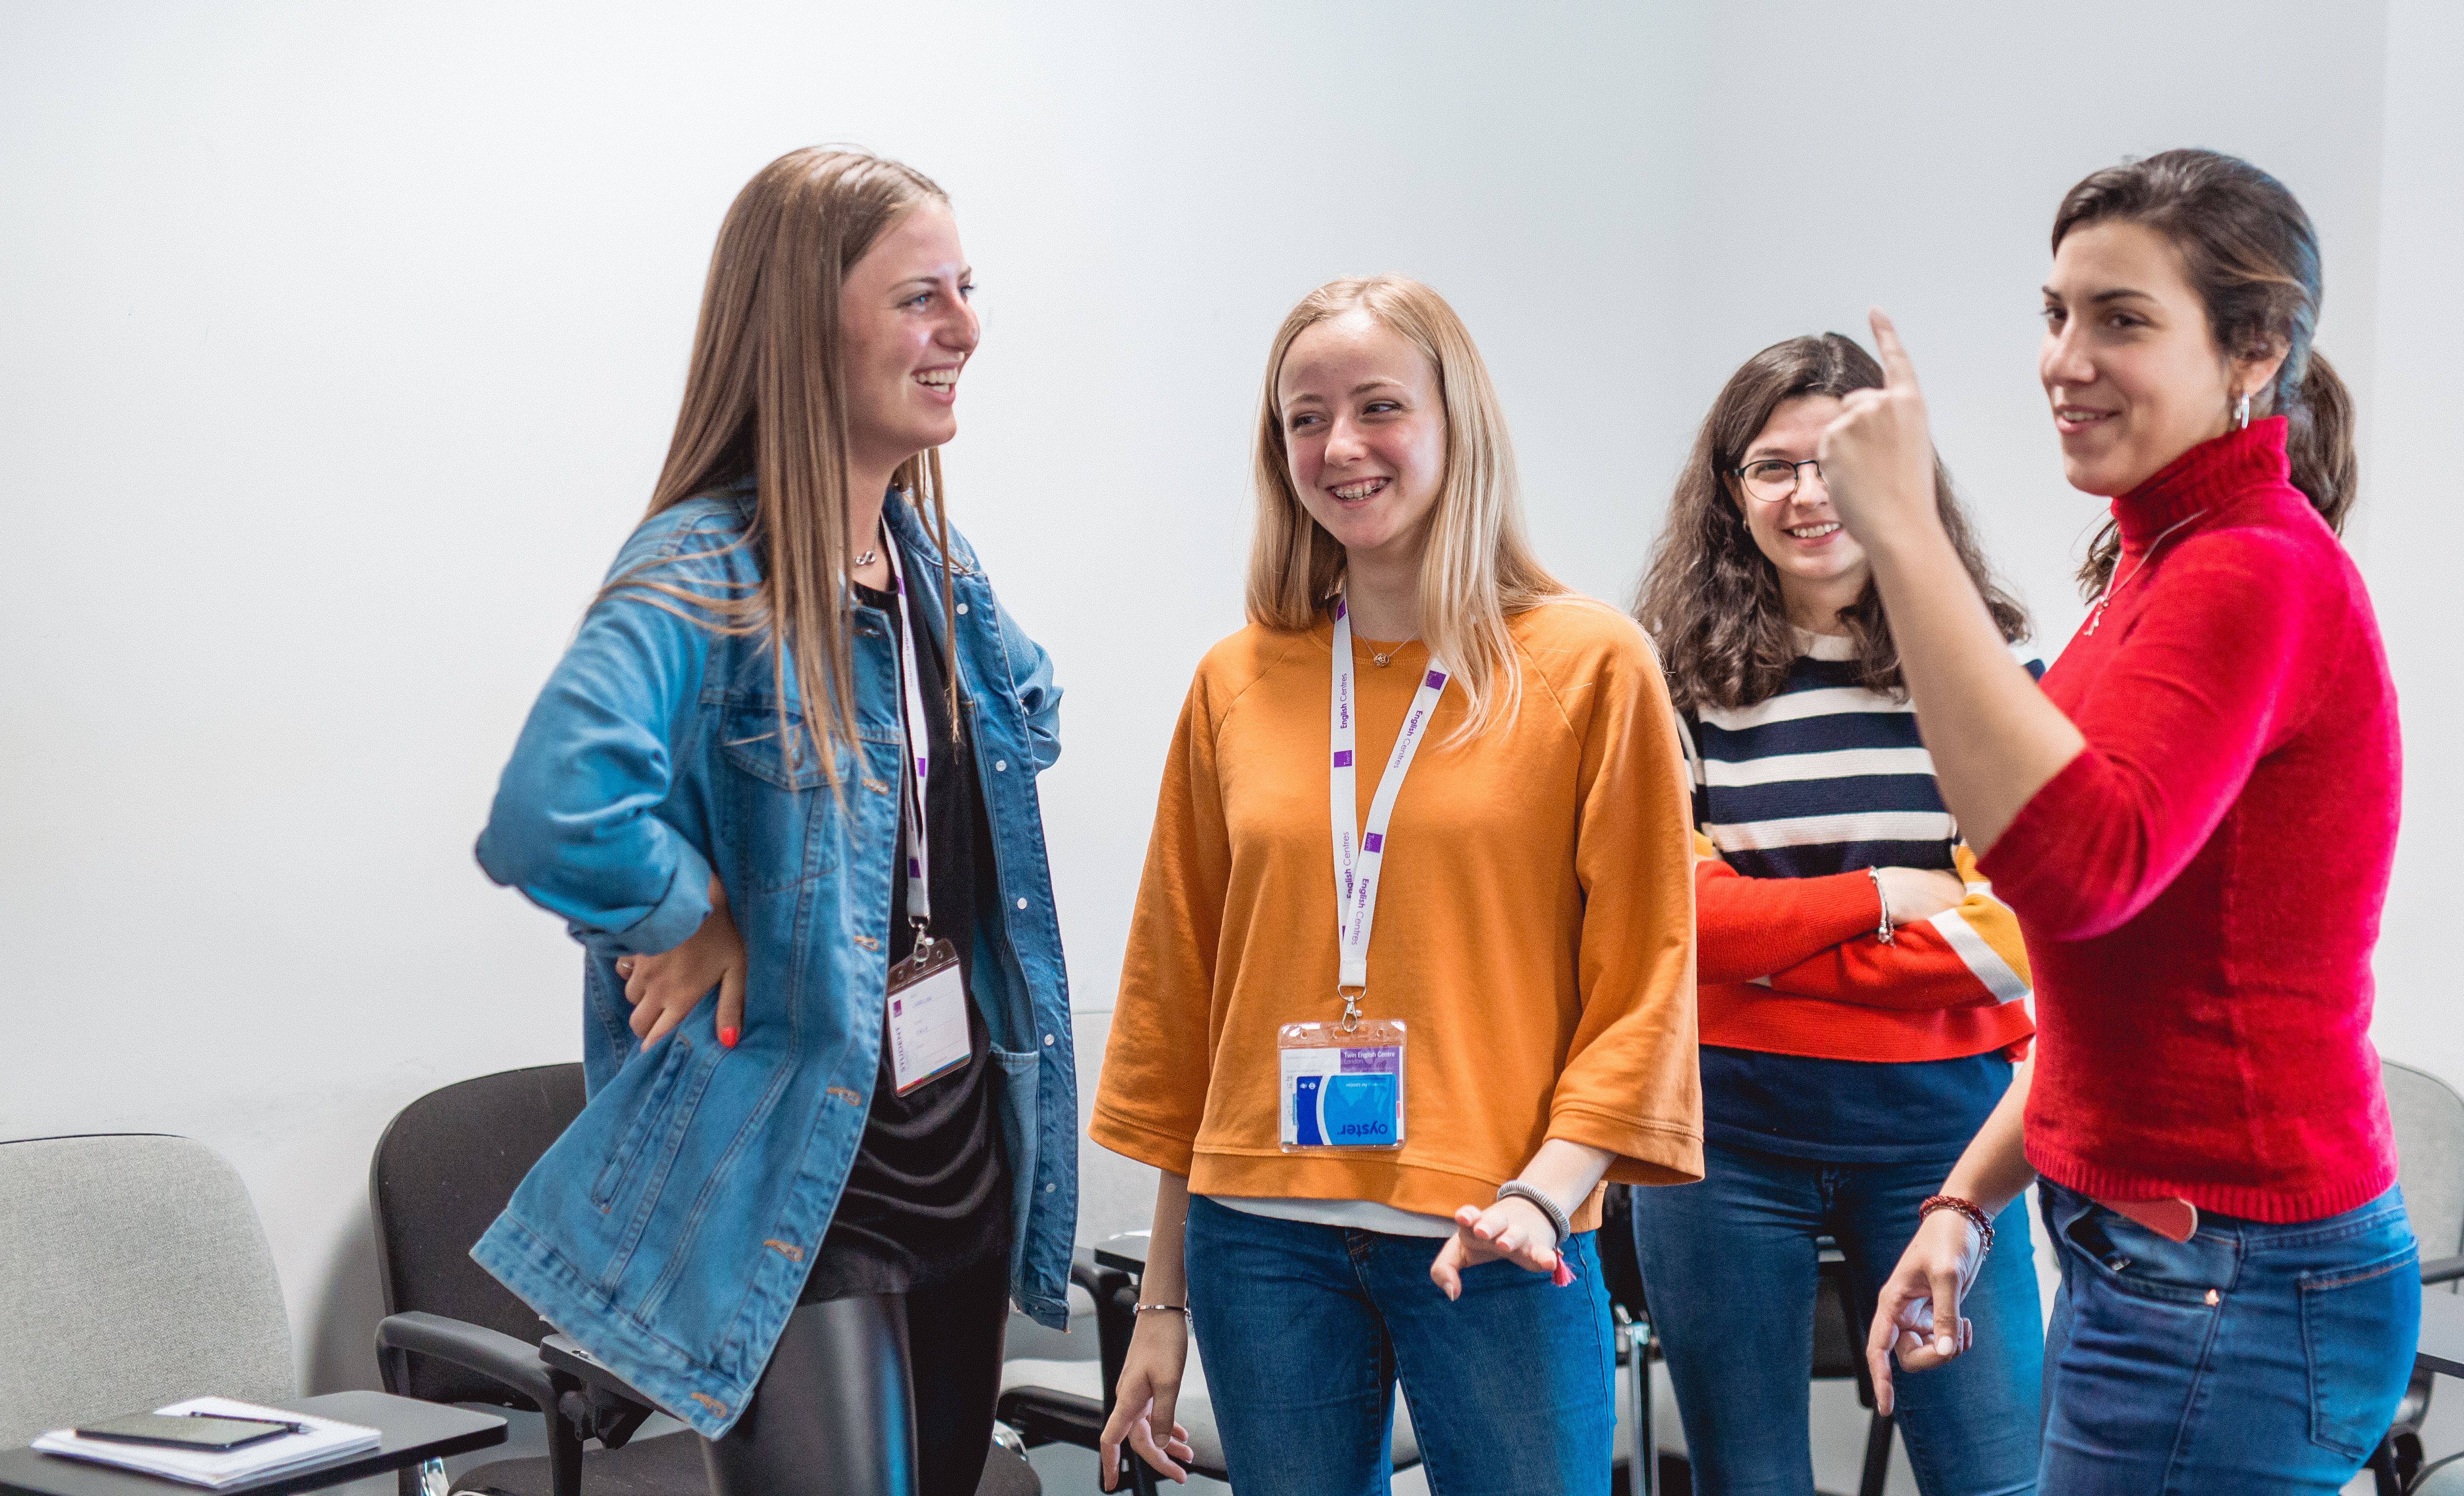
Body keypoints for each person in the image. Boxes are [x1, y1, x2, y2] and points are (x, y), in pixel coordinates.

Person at [469, 148, 1077, 1496]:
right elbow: (549, 807)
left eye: (965, 289)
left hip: (959, 1154)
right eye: (922, 295)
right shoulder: (704, 568)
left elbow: (1029, 723)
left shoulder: (930, 561)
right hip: (800, 1192)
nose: (965, 328)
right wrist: (687, 906)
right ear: (810, 325)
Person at [1827, 149, 2415, 1494]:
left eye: (2120, 319)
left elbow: (2079, 870)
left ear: (2251, 347)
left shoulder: (2249, 571)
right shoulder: (2159, 563)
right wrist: (1965, 1197)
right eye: (2054, 313)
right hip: (2168, 1255)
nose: (2063, 359)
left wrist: (1905, 536)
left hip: (2230, 1276)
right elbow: (2119, 995)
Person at [1090, 274, 1702, 1496]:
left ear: (1454, 423)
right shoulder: (1236, 679)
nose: (1340, 446)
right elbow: (1183, 999)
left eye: (1379, 406)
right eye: (1304, 418)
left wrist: (1549, 1193)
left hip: (1497, 1233)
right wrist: (1163, 1304)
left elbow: (1648, 971)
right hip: (1261, 1243)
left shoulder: (1587, 664)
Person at [1628, 333, 2044, 1495]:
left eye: (1842, 460)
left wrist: (1765, 951)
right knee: (1748, 1482)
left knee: (1997, 1478)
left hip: (1951, 1142)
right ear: (1732, 493)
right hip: (1722, 1149)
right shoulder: (1667, 687)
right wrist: (1880, 899)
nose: (1812, 494)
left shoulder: (1989, 670)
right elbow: (1672, 924)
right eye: (1775, 466)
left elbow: (2009, 940)